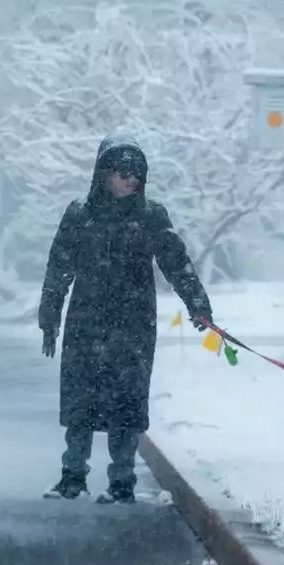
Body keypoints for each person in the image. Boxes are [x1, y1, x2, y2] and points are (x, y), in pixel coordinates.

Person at [38, 134, 213, 504]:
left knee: (127, 402)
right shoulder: (79, 215)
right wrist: (49, 315)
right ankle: (73, 475)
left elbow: (175, 262)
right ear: (103, 174)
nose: (129, 180)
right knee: (80, 402)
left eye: (136, 173)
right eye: (122, 172)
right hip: (86, 321)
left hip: (133, 323)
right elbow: (58, 269)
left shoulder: (150, 216)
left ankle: (122, 481)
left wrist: (197, 304)